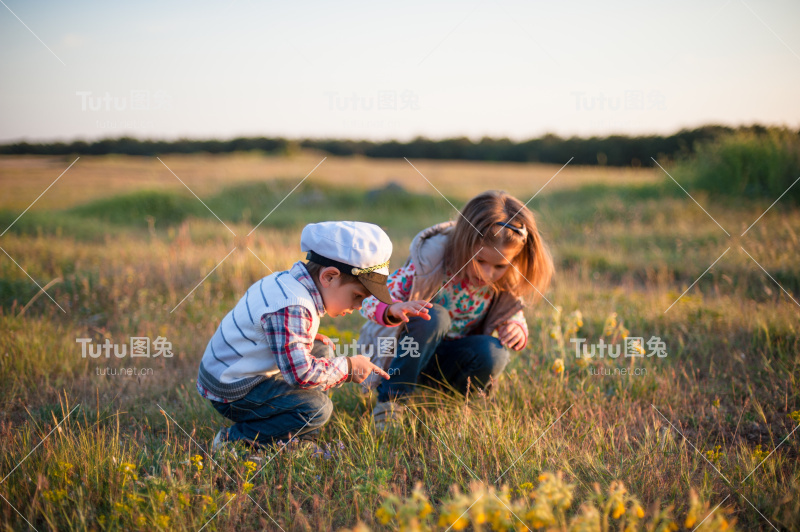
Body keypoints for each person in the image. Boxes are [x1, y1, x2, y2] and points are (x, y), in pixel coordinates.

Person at [196, 221, 430, 451]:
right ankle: (235, 440)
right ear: (329, 277)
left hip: (233, 374)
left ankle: (301, 435)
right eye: (357, 296)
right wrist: (348, 367)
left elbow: (269, 325)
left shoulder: (288, 282)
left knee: (322, 351)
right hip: (233, 389)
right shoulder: (293, 305)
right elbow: (301, 375)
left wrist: (301, 335)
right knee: (318, 408)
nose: (359, 306)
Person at [358, 190, 554, 429]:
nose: (487, 274)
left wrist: (515, 328)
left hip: (450, 360)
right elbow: (369, 301)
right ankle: (391, 402)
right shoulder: (430, 263)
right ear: (464, 242)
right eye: (480, 261)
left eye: (499, 265)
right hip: (406, 354)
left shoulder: (504, 283)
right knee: (434, 316)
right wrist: (393, 309)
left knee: (494, 352)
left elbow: (512, 314)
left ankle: (452, 400)